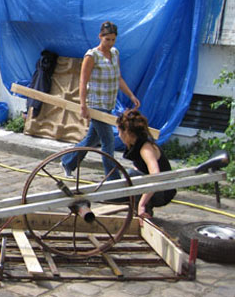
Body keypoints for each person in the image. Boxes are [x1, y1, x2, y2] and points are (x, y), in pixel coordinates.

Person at [61, 21, 140, 180]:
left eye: (112, 40)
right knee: (108, 142)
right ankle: (113, 178)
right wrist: (83, 105)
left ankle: (68, 162)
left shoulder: (115, 53)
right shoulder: (92, 56)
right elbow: (83, 82)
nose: (110, 43)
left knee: (92, 139)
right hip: (96, 105)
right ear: (100, 37)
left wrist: (131, 95)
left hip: (108, 104)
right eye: (107, 40)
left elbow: (118, 78)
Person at [117, 109, 176, 219]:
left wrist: (142, 204)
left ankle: (144, 212)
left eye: (120, 132)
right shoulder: (136, 145)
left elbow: (155, 176)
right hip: (156, 189)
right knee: (131, 175)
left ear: (127, 133)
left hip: (163, 192)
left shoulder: (146, 148)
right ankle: (139, 209)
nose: (119, 136)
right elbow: (139, 168)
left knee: (131, 175)